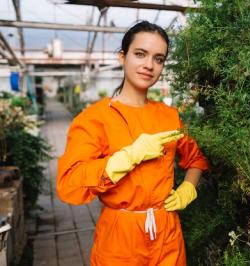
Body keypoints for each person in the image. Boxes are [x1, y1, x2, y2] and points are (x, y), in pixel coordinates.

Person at [57, 21, 209, 266]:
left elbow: (197, 159)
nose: (149, 65)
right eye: (140, 54)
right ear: (122, 57)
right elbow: (69, 183)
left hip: (167, 232)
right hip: (120, 236)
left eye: (158, 59)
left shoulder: (169, 116)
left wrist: (188, 188)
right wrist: (126, 158)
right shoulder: (95, 118)